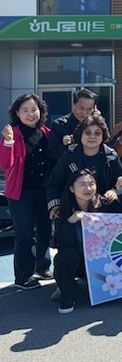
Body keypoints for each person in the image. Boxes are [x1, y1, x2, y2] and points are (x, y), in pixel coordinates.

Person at [1, 94, 52, 289]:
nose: (31, 114)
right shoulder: (12, 134)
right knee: (25, 234)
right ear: (17, 113)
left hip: (43, 191)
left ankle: (43, 266)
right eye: (25, 110)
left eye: (34, 109)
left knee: (45, 230)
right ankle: (23, 277)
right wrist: (8, 142)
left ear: (41, 111)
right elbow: (4, 163)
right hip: (20, 194)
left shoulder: (46, 133)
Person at [53, 169, 120, 313]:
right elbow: (61, 243)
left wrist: (116, 192)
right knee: (64, 257)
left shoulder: (106, 204)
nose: (88, 188)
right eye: (82, 184)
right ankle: (68, 295)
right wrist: (71, 221)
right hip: (79, 262)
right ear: (72, 188)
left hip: (104, 261)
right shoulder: (63, 211)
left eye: (91, 184)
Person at [46, 114, 122, 217]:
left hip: (104, 213)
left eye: (97, 133)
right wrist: (55, 206)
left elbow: (121, 182)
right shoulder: (69, 157)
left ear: (103, 135)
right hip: (73, 211)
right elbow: (54, 183)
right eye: (87, 133)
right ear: (80, 134)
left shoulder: (111, 157)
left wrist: (114, 191)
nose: (92, 136)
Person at [47, 88, 97, 167]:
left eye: (89, 109)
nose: (84, 112)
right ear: (73, 105)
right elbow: (51, 154)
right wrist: (64, 145)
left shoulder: (96, 126)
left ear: (94, 109)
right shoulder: (59, 125)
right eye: (81, 108)